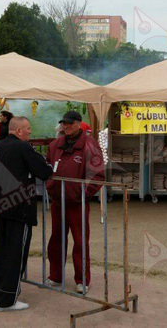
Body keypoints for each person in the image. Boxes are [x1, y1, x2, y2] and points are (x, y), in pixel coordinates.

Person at [0, 116, 53, 311]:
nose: (30, 132)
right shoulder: (23, 147)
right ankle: (8, 299)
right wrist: (48, 166)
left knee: (1, 250)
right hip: (20, 208)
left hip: (3, 205)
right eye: (28, 128)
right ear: (18, 131)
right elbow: (44, 172)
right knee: (16, 253)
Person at [45, 110, 105, 294]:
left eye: (71, 123)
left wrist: (82, 195)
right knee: (56, 240)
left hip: (77, 204)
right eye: (64, 123)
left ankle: (82, 280)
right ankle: (55, 276)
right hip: (57, 202)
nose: (67, 126)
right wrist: (51, 186)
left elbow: (98, 175)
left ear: (79, 124)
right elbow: (47, 167)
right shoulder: (55, 145)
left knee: (80, 242)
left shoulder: (90, 145)